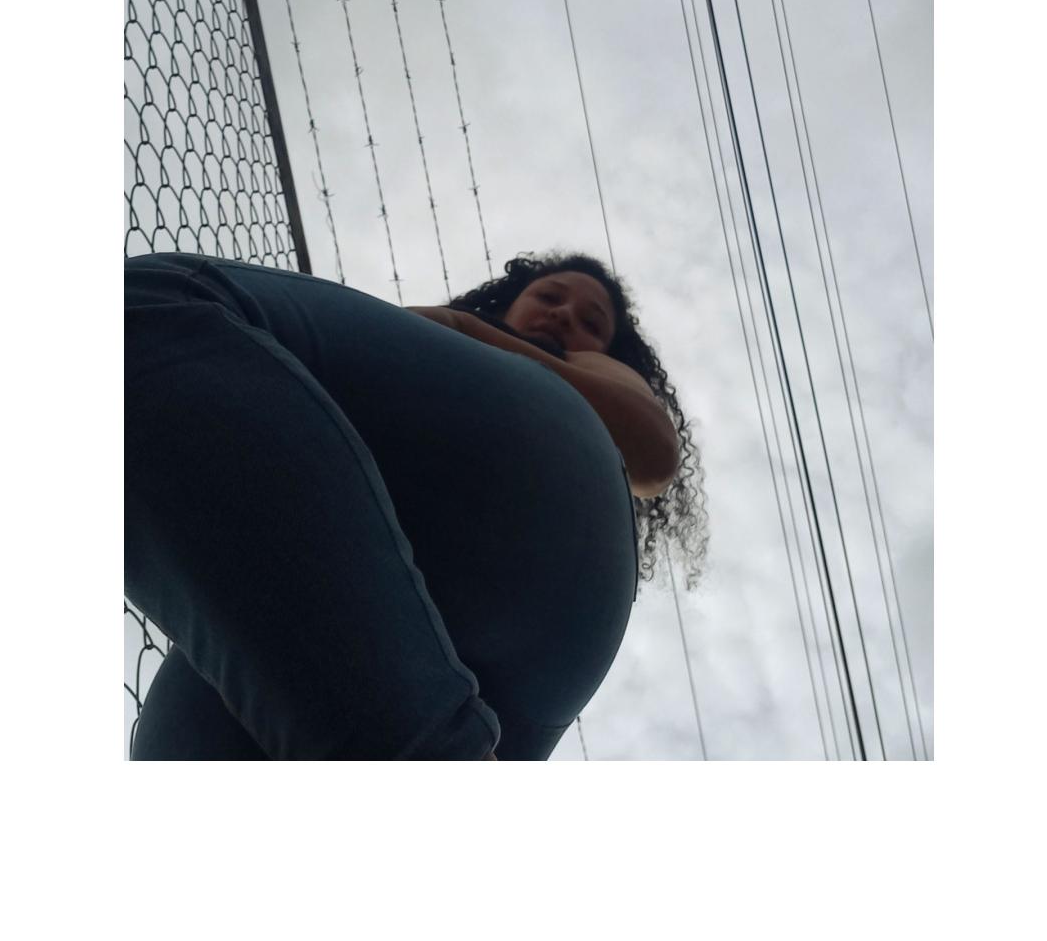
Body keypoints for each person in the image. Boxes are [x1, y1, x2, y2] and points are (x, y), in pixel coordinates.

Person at [125, 249, 706, 761]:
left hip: (545, 510)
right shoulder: (431, 369)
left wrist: (464, 325)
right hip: (528, 663)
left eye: (591, 322)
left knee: (148, 306)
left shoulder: (576, 366)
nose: (564, 316)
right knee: (180, 747)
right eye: (549, 297)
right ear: (510, 298)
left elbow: (654, 453)